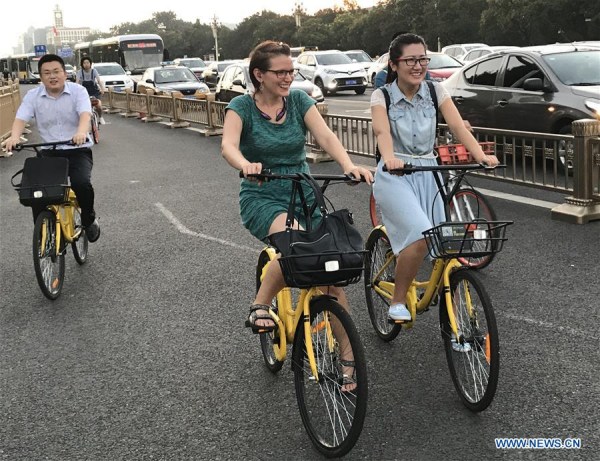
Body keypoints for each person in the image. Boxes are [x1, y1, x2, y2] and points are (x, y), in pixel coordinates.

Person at [221, 41, 372, 385]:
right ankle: (261, 304)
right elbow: (228, 145)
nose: (289, 77)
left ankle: (348, 358)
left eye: (292, 71)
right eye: (281, 72)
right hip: (264, 195)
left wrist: (348, 165)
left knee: (331, 271)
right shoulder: (241, 107)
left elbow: (326, 136)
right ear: (259, 75)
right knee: (297, 245)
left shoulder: (300, 101)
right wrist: (246, 165)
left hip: (304, 191)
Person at [371, 33, 498, 322]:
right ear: (394, 64)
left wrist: (480, 155)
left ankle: (457, 317)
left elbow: (458, 126)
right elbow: (382, 132)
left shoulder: (435, 90)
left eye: (423, 59)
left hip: (430, 171)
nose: (418, 66)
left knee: (445, 242)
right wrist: (390, 158)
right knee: (419, 236)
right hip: (397, 175)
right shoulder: (383, 95)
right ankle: (398, 300)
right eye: (410, 60)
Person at [3, 54, 100, 242]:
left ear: (65, 73)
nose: (52, 76)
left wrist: (81, 132)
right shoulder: (33, 96)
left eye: (56, 71)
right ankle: (43, 234)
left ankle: (89, 220)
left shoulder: (78, 91)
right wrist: (14, 138)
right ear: (40, 76)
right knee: (36, 192)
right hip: (48, 152)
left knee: (81, 183)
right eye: (46, 73)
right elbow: (21, 118)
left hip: (77, 149)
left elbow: (85, 115)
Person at [76, 56, 106, 124]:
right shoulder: (79, 72)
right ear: (82, 64)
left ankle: (101, 117)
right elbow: (77, 82)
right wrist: (76, 91)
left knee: (98, 104)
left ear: (90, 64)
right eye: (84, 63)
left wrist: (102, 89)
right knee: (82, 106)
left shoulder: (94, 71)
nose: (86, 64)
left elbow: (98, 80)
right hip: (84, 91)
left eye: (87, 62)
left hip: (94, 91)